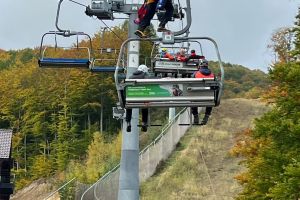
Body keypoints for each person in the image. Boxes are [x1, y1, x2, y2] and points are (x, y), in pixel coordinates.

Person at [126, 64, 149, 132]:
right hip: (142, 99)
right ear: (144, 70)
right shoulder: (145, 77)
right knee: (145, 106)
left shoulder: (130, 77)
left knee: (128, 106)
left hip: (131, 99)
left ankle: (128, 122)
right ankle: (144, 123)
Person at [191, 59, 214, 125]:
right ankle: (206, 116)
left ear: (200, 65)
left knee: (192, 100)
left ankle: (196, 116)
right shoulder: (212, 74)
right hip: (208, 96)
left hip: (197, 95)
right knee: (210, 100)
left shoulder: (196, 74)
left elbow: (191, 82)